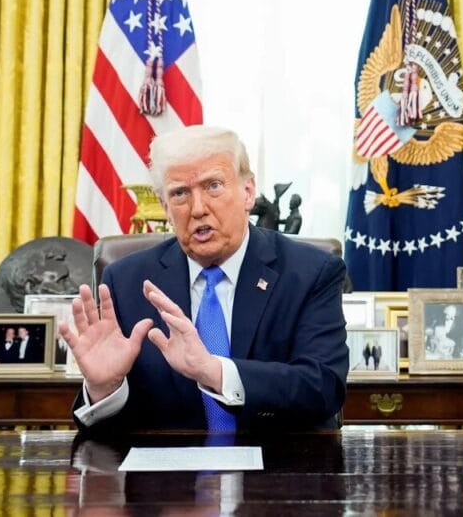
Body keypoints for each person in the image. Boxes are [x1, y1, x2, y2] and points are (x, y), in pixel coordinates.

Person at [60, 125, 349, 433]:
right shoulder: (127, 281)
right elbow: (113, 432)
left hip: (278, 459)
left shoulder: (310, 273)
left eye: (213, 186)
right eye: (180, 193)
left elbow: (323, 388)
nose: (198, 209)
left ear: (248, 192)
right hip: (167, 462)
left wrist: (215, 372)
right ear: (165, 207)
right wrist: (105, 388)